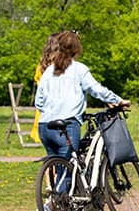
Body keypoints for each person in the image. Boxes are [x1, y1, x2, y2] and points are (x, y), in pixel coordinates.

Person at [35, 30, 130, 158]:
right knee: (68, 171)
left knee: (58, 167)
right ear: (77, 49)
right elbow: (96, 89)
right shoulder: (79, 69)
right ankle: (68, 178)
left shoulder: (48, 71)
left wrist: (52, 110)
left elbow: (38, 102)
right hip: (66, 126)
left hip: (45, 126)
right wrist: (117, 100)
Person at [30, 32, 60, 143]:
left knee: (53, 154)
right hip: (58, 113)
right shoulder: (60, 67)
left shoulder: (41, 66)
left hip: (44, 114)